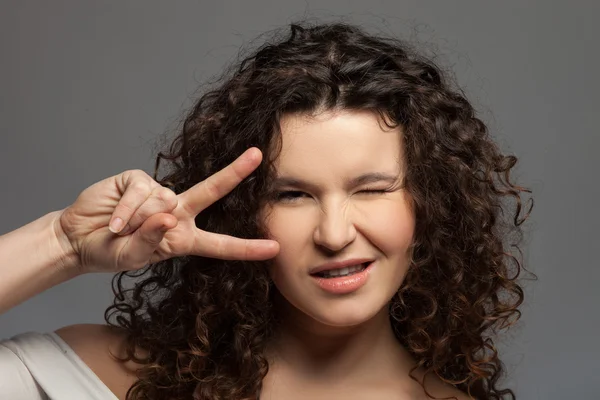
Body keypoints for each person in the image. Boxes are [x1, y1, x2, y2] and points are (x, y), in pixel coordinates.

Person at [0, 21, 532, 400]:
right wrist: (60, 244)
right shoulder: (97, 376)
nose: (334, 233)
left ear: (431, 205)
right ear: (241, 213)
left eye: (371, 190)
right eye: (292, 195)